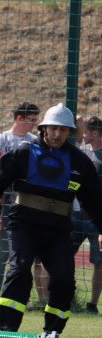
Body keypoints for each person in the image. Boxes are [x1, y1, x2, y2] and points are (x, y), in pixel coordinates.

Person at [0, 104, 102, 338]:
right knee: (20, 270)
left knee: (65, 281)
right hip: (24, 223)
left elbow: (94, 201)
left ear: (70, 132)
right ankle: (8, 335)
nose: (57, 134)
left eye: (63, 130)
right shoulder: (24, 153)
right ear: (44, 128)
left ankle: (51, 337)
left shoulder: (80, 161)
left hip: (58, 230)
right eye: (53, 128)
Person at [0, 101, 39, 307]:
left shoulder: (35, 142)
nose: (34, 125)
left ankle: (17, 298)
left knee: (24, 254)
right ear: (19, 119)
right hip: (4, 203)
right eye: (31, 121)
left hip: (27, 203)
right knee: (0, 254)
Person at [76, 116, 102, 313]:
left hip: (98, 219)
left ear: (94, 133)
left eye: (85, 131)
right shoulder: (81, 153)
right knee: (62, 255)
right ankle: (66, 297)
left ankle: (92, 305)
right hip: (76, 215)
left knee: (99, 263)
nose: (82, 135)